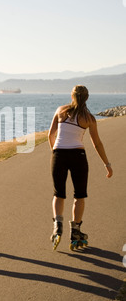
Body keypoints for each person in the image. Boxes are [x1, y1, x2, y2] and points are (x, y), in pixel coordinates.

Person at [48, 85, 113, 250]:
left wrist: (55, 153)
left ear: (72, 96)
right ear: (87, 98)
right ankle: (76, 231)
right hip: (78, 157)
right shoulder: (89, 118)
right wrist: (107, 164)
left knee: (59, 194)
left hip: (59, 155)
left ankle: (58, 225)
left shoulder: (60, 110)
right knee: (79, 195)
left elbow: (51, 135)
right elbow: (97, 143)